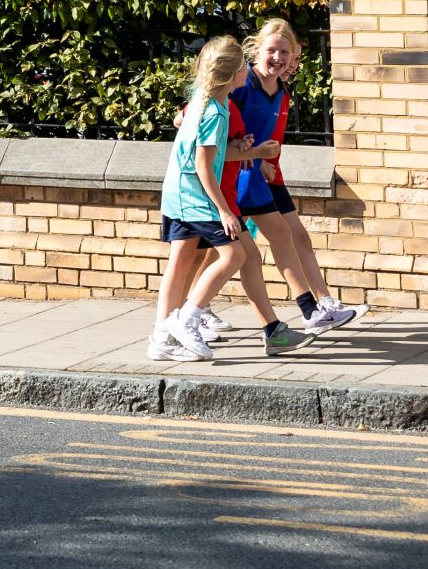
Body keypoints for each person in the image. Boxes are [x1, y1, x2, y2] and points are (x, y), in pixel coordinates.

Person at [148, 36, 313, 361]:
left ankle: (162, 336)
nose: (246, 73)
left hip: (183, 194)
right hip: (199, 197)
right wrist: (223, 209)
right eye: (243, 69)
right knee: (235, 255)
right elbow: (203, 165)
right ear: (235, 74)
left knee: (185, 263)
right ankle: (186, 319)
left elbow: (213, 152)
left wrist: (244, 150)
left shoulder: (210, 102)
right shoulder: (215, 112)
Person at [232, 19, 363, 333]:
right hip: (238, 177)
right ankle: (191, 312)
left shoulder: (281, 91)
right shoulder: (241, 84)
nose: (281, 59)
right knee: (226, 253)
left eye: (287, 53)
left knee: (287, 238)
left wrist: (264, 162)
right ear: (256, 50)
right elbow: (215, 127)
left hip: (266, 177)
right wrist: (253, 158)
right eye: (272, 50)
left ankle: (319, 306)